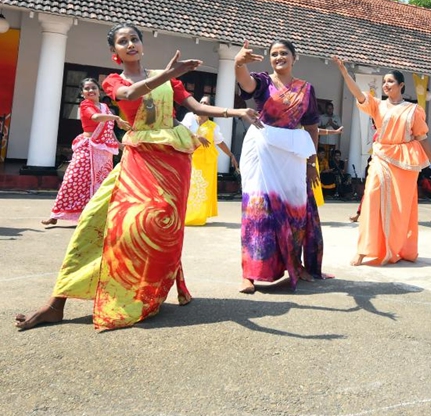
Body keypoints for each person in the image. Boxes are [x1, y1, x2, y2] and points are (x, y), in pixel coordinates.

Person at [15, 23, 261, 331]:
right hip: (138, 157)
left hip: (172, 160)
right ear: (114, 52)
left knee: (159, 223)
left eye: (134, 39)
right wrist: (170, 74)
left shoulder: (166, 78)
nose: (130, 43)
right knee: (98, 220)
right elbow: (130, 93)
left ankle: (145, 293)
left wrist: (237, 113)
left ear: (142, 44)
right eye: (122, 41)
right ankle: (56, 303)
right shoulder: (113, 81)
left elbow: (196, 106)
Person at [333, 56, 431, 266]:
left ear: (401, 85)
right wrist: (345, 74)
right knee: (371, 197)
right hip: (381, 156)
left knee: (400, 206)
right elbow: (358, 94)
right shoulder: (376, 105)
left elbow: (422, 137)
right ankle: (364, 250)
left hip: (404, 163)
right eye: (384, 82)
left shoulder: (413, 110)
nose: (386, 85)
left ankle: (398, 248)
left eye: (390, 81)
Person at [235, 40, 329, 293]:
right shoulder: (263, 81)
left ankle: (294, 266)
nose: (279, 57)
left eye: (284, 53)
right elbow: (246, 83)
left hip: (292, 155)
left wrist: (312, 163)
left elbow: (311, 127)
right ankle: (249, 275)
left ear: (294, 57)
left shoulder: (306, 90)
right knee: (257, 210)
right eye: (274, 54)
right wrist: (239, 63)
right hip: (262, 151)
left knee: (294, 213)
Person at [41, 78, 129, 226]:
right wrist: (116, 117)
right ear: (82, 93)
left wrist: (120, 145)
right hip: (87, 148)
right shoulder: (85, 105)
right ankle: (56, 214)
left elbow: (108, 129)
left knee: (101, 184)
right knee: (73, 179)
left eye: (93, 87)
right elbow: (95, 118)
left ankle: (95, 216)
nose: (90, 91)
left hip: (103, 152)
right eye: (87, 89)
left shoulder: (104, 107)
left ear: (99, 90)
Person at [180, 96, 240, 226]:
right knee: (189, 186)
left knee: (201, 189)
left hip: (207, 162)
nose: (201, 104)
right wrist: (196, 136)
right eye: (200, 102)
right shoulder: (190, 117)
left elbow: (220, 142)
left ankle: (198, 217)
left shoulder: (213, 126)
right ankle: (185, 215)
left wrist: (231, 155)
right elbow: (181, 130)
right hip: (190, 158)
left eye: (205, 103)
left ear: (210, 108)